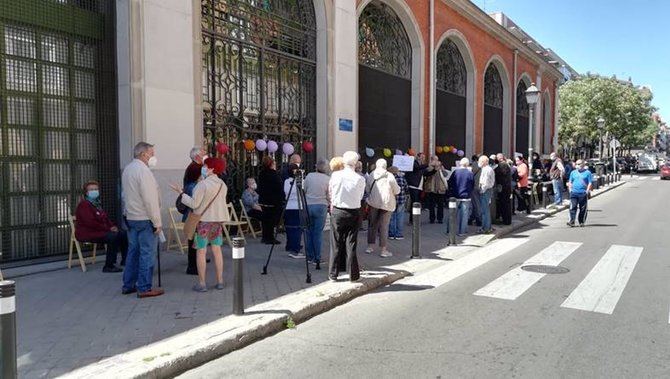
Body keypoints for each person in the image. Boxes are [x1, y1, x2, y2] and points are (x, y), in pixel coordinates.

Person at [172, 157, 229, 292]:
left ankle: (202, 283)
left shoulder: (202, 185)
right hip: (217, 222)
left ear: (211, 168)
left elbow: (194, 204)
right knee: (217, 250)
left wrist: (181, 193)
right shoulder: (222, 184)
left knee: (201, 251)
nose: (203, 168)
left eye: (205, 166)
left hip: (203, 222)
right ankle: (220, 281)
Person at [121, 142, 163, 298]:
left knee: (133, 252)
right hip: (145, 218)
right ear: (143, 154)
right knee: (147, 253)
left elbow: (125, 196)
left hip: (131, 217)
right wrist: (157, 222)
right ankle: (144, 287)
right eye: (151, 153)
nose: (153, 156)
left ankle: (128, 284)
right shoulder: (143, 171)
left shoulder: (128, 169)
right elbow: (150, 200)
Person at [328, 151, 365, 281]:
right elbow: (360, 196)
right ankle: (353, 275)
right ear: (355, 164)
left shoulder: (335, 175)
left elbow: (330, 191)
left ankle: (333, 274)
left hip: (338, 211)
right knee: (351, 243)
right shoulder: (360, 178)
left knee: (336, 242)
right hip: (353, 211)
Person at [75, 180, 127, 272]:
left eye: (96, 189)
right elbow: (90, 222)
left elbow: (105, 219)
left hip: (99, 231)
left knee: (122, 233)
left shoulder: (96, 204)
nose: (94, 191)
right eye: (91, 190)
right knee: (112, 236)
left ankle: (125, 260)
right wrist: (108, 229)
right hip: (88, 233)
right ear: (86, 193)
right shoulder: (84, 204)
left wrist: (112, 226)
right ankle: (109, 266)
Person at [365, 158, 400, 257]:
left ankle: (370, 247)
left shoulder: (372, 174)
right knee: (384, 227)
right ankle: (383, 250)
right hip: (387, 203)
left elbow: (367, 189)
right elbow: (396, 190)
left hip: (373, 202)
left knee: (372, 225)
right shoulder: (390, 176)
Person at [183, 146, 207, 275]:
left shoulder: (196, 167)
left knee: (198, 237)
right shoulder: (195, 168)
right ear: (197, 156)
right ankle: (192, 266)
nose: (205, 155)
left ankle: (199, 258)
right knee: (194, 237)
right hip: (193, 211)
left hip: (195, 209)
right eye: (203, 153)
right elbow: (193, 189)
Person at [303, 158, 331, 265]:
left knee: (308, 231)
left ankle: (309, 256)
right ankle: (317, 257)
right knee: (318, 232)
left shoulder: (309, 176)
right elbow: (329, 195)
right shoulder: (328, 179)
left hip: (309, 205)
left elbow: (304, 189)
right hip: (321, 206)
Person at [258, 156, 283, 245]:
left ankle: (265, 237)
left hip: (264, 200)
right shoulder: (274, 174)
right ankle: (270, 237)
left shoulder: (262, 173)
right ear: (271, 164)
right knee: (271, 220)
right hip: (273, 200)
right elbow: (279, 186)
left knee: (265, 219)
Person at [447, 158, 474, 236]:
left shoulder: (455, 172)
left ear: (460, 164)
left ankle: (450, 230)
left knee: (452, 214)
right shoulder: (470, 173)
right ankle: (462, 231)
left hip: (455, 196)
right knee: (464, 215)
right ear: (467, 164)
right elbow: (472, 184)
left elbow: (450, 182)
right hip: (466, 196)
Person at [283, 164, 304, 259]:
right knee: (296, 229)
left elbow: (286, 192)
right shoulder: (299, 182)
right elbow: (302, 191)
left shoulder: (286, 182)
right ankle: (295, 249)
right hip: (297, 207)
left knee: (290, 228)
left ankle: (290, 246)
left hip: (289, 207)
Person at [567, 159, 593, 227]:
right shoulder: (573, 172)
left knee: (583, 208)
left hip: (583, 193)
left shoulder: (588, 173)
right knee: (573, 207)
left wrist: (587, 191)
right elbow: (570, 181)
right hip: (574, 193)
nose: (577, 165)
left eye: (579, 164)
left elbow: (590, 182)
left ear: (583, 164)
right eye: (576, 164)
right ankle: (571, 221)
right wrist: (570, 190)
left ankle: (581, 221)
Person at [423, 156, 448, 223]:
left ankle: (440, 218)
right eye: (435, 160)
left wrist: (442, 170)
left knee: (440, 204)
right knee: (432, 205)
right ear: (431, 160)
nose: (436, 162)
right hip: (431, 188)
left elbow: (446, 175)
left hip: (440, 188)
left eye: (437, 160)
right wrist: (434, 169)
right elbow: (427, 174)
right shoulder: (429, 167)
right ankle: (432, 218)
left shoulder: (441, 167)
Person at [388, 166, 408, 240]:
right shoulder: (402, 178)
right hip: (401, 200)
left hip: (392, 200)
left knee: (392, 217)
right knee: (400, 217)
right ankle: (399, 234)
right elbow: (406, 188)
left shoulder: (389, 179)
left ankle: (391, 234)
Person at [477, 155, 495, 234]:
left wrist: (482, 190)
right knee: (485, 210)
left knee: (485, 210)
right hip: (487, 190)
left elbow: (486, 182)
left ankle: (486, 228)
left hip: (486, 190)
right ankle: (487, 227)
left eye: (480, 161)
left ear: (484, 162)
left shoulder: (486, 170)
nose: (478, 163)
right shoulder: (487, 169)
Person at [494, 154, 513, 225]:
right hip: (506, 187)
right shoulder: (506, 165)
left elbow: (501, 173)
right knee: (506, 204)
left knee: (504, 204)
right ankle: (506, 220)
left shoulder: (503, 165)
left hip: (503, 188)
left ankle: (506, 220)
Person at [469, 154, 482, 226]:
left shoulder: (473, 165)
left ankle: (478, 219)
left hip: (474, 186)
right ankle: (471, 218)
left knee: (476, 204)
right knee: (476, 203)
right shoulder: (482, 166)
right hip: (480, 186)